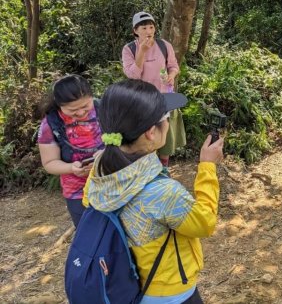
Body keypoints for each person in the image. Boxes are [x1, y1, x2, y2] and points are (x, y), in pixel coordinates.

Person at [86, 79, 223, 303]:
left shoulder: (100, 167)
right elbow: (205, 223)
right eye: (166, 118)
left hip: (127, 282)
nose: (168, 123)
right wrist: (207, 167)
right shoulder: (162, 192)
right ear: (151, 132)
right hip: (170, 290)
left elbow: (88, 203)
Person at [37, 74, 104, 227]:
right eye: (72, 110)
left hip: (113, 182)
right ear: (59, 105)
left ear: (92, 97)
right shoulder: (51, 123)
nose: (80, 113)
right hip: (77, 191)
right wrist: (71, 168)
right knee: (89, 235)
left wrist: (109, 154)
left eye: (85, 106)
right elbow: (49, 163)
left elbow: (126, 140)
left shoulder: (104, 109)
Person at [122, 11, 185, 166]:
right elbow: (132, 76)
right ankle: (148, 170)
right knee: (146, 137)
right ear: (135, 31)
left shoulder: (164, 45)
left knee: (165, 138)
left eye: (151, 27)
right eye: (143, 28)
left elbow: (173, 66)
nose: (148, 31)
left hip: (164, 98)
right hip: (142, 101)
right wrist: (142, 52)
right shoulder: (129, 49)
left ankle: (163, 169)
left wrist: (172, 75)